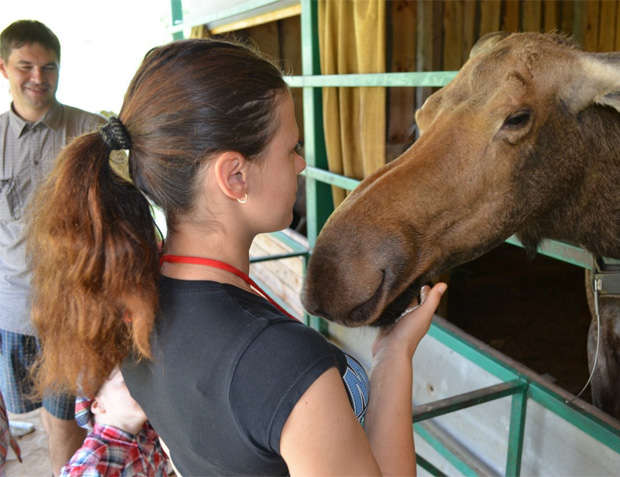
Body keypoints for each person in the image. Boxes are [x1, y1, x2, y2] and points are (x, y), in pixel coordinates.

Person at [27, 38, 447, 475]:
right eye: (293, 149)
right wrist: (393, 358)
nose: (301, 165)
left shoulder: (134, 302)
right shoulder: (280, 362)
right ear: (236, 175)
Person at [0, 19, 107, 475]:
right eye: (26, 66)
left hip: (72, 312)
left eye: (49, 67)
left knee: (67, 423)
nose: (38, 78)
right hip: (12, 310)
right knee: (32, 416)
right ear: (4, 68)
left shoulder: (92, 133)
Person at [60, 368, 168, 477]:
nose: (142, 387)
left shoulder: (149, 430)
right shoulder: (92, 464)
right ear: (98, 405)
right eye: (126, 381)